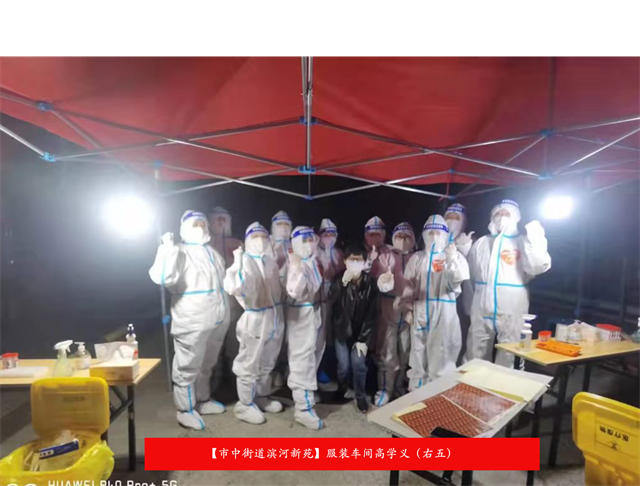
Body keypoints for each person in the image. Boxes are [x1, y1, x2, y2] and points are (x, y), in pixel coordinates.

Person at [149, 210, 229, 430]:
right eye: (195, 224)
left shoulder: (212, 253)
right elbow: (162, 277)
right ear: (184, 227)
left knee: (207, 363)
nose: (200, 227)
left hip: (216, 319)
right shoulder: (178, 251)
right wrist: (167, 250)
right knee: (187, 365)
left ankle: (202, 399)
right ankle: (185, 409)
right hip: (191, 320)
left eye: (202, 223)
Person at [464, 199, 551, 368]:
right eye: (498, 214)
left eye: (507, 214)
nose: (502, 217)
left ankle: (506, 384)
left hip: (512, 308)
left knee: (511, 353)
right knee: (475, 351)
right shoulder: (481, 243)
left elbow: (538, 267)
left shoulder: (523, 242)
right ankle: (472, 382)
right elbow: (472, 274)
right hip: (481, 307)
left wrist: (536, 237)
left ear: (516, 217)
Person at [223, 222, 285, 425]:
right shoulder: (244, 260)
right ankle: (245, 404)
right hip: (255, 317)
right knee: (249, 362)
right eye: (255, 237)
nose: (260, 241)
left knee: (267, 362)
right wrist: (237, 262)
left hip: (274, 316)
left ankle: (261, 396)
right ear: (248, 240)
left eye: (263, 237)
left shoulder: (269, 261)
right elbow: (233, 286)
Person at [398, 215, 470, 388]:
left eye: (438, 232)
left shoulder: (454, 256)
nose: (434, 236)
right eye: (430, 233)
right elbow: (407, 285)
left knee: (441, 354)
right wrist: (407, 308)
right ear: (424, 235)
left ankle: (437, 394)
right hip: (420, 310)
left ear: (445, 235)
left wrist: (452, 259)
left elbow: (458, 279)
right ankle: (415, 393)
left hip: (444, 312)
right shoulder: (417, 258)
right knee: (418, 354)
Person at [329, 243, 378, 414]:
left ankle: (360, 396)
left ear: (365, 263)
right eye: (352, 260)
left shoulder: (370, 283)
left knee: (358, 364)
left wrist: (363, 339)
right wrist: (342, 283)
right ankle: (342, 389)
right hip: (342, 331)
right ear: (345, 261)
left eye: (359, 260)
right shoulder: (338, 279)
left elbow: (372, 313)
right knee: (343, 366)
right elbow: (331, 298)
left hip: (360, 333)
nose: (355, 263)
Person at [285, 226, 324, 429]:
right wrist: (297, 266)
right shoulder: (296, 263)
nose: (309, 244)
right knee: (301, 361)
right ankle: (303, 409)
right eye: (304, 240)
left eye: (311, 240)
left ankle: (306, 400)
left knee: (310, 359)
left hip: (311, 314)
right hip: (300, 316)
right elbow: (295, 291)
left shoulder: (311, 261)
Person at [373, 222, 416, 406]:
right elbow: (376, 279)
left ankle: (399, 385)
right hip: (388, 307)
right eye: (399, 236)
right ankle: (384, 389)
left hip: (410, 309)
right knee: (387, 352)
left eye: (407, 236)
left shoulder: (417, 257)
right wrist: (384, 281)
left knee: (405, 351)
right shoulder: (385, 257)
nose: (403, 240)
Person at [208, 207, 244, 382]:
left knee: (234, 338)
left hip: (234, 300)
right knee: (213, 340)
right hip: (212, 301)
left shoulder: (237, 243)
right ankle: (215, 375)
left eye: (224, 219)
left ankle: (232, 375)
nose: (221, 222)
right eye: (217, 219)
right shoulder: (205, 244)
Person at [443, 203, 475, 360]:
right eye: (448, 217)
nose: (451, 221)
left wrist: (466, 250)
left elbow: (475, 270)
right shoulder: (435, 238)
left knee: (458, 333)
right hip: (440, 295)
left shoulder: (468, 240)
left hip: (461, 299)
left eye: (456, 218)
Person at [316, 218, 345, 377]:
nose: (329, 237)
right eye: (326, 234)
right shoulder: (315, 252)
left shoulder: (338, 253)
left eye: (333, 234)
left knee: (334, 335)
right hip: (320, 299)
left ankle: (332, 367)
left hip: (336, 299)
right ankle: (320, 369)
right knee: (321, 335)